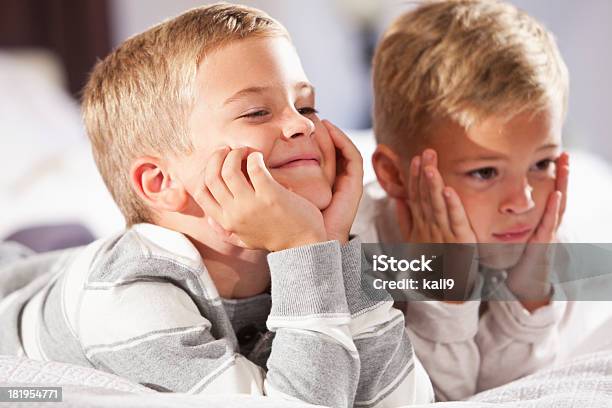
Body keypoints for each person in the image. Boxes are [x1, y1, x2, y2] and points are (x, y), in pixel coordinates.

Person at [0, 4, 434, 407]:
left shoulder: (309, 242)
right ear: (162, 181)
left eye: (306, 105)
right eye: (256, 112)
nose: (302, 124)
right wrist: (304, 254)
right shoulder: (128, 298)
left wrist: (333, 249)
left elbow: (404, 400)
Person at [353, 0, 571, 401]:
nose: (522, 201)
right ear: (395, 175)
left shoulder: (533, 243)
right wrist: (445, 291)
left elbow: (515, 395)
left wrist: (528, 294)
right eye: (485, 172)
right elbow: (431, 397)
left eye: (542, 163)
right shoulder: (355, 254)